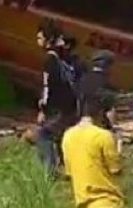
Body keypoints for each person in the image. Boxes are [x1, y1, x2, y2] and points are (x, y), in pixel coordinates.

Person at [35, 22, 85, 175]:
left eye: (40, 37)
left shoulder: (50, 60)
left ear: (48, 40)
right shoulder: (66, 58)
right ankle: (69, 167)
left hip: (59, 106)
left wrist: (43, 109)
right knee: (62, 136)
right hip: (72, 105)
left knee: (44, 135)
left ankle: (49, 171)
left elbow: (47, 87)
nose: (37, 41)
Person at [62, 96, 125, 208]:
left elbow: (69, 173)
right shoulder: (103, 136)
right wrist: (118, 148)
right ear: (101, 113)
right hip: (107, 202)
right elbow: (116, 170)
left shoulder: (67, 136)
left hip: (82, 203)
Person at [79, 50, 118, 131]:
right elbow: (110, 109)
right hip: (99, 125)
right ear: (108, 65)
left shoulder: (83, 79)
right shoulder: (105, 83)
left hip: (81, 124)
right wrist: (113, 129)